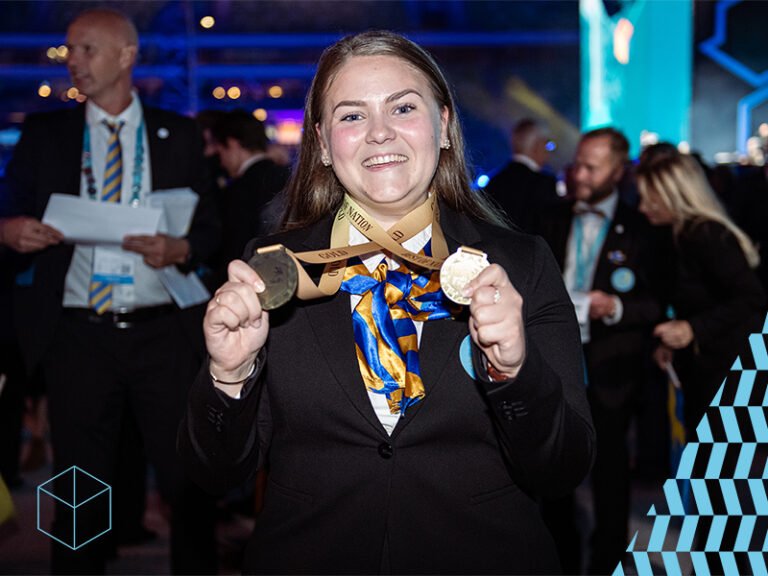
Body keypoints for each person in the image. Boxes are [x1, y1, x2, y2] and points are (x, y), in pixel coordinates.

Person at [179, 31, 594, 574]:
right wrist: (229, 375)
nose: (379, 133)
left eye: (403, 107)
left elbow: (561, 471)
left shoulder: (519, 265)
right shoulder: (271, 269)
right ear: (324, 144)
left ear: (443, 127)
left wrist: (515, 371)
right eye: (351, 116)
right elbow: (215, 476)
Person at [1, 9, 218, 573]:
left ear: (126, 55)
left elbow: (214, 228)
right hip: (78, 337)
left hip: (162, 334)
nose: (71, 60)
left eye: (86, 49)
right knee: (77, 483)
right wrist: (9, 231)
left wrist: (182, 248)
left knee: (184, 475)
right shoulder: (46, 134)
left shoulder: (180, 134)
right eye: (68, 50)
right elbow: (7, 207)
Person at [538, 127, 668, 574]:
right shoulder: (549, 219)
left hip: (612, 369)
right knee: (555, 472)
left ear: (618, 170)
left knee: (611, 474)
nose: (581, 176)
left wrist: (614, 306)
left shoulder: (643, 230)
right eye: (579, 164)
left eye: (593, 167)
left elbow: (658, 302)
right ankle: (562, 558)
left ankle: (607, 561)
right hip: (555, 363)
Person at [637, 144, 765, 440]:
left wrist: (692, 329)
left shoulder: (706, 234)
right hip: (708, 364)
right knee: (706, 468)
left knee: (719, 474)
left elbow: (752, 296)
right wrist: (677, 339)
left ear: (673, 196)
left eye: (649, 198)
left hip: (732, 368)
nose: (642, 207)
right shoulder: (677, 234)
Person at [209, 109, 291, 282]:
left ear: (232, 144)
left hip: (250, 279)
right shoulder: (289, 177)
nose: (221, 161)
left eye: (221, 152)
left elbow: (232, 251)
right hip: (287, 274)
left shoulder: (238, 191)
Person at [483, 118, 562, 234]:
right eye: (546, 145)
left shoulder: (493, 181)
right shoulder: (545, 185)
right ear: (537, 146)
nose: (547, 152)